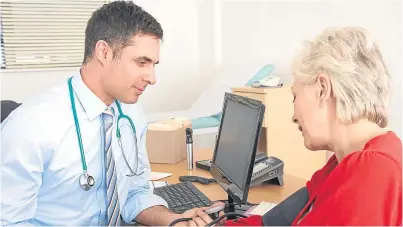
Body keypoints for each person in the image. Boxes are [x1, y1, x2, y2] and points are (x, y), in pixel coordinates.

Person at [0, 1, 217, 226]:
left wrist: (174, 221)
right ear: (104, 52)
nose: (152, 78)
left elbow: (134, 193)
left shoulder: (131, 112)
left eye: (153, 65)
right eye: (141, 62)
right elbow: (9, 222)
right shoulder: (30, 126)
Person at [191, 27, 402, 226]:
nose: (293, 115)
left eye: (295, 96)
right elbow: (276, 220)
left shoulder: (374, 170)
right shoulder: (343, 164)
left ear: (322, 89)